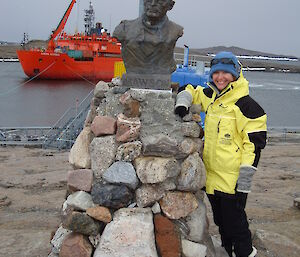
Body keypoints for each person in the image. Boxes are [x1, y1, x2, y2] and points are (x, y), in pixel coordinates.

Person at [175, 51, 267, 257]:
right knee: (220, 221)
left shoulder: (248, 107)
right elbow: (189, 89)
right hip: (212, 176)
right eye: (216, 73)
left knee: (236, 223)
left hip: (233, 179)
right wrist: (183, 102)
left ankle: (245, 252)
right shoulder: (212, 97)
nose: (220, 77)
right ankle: (227, 251)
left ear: (236, 74)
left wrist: (243, 183)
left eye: (226, 73)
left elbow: (253, 146)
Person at [113, 0, 183, 74]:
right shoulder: (124, 28)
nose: (153, 4)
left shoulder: (176, 31)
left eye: (159, 1)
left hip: (160, 79)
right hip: (132, 77)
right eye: (149, 0)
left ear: (171, 5)